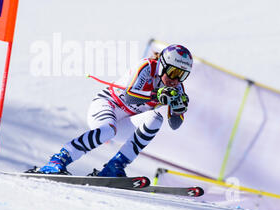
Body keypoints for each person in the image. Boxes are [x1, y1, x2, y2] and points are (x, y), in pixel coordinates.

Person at [35, 44, 193, 177]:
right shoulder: (146, 66)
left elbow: (175, 125)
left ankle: (115, 166)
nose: (175, 80)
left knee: (156, 118)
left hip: (127, 121)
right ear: (162, 65)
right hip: (108, 105)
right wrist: (156, 95)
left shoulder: (177, 88)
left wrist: (178, 110)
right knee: (107, 131)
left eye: (182, 75)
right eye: (173, 72)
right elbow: (130, 96)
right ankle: (59, 160)